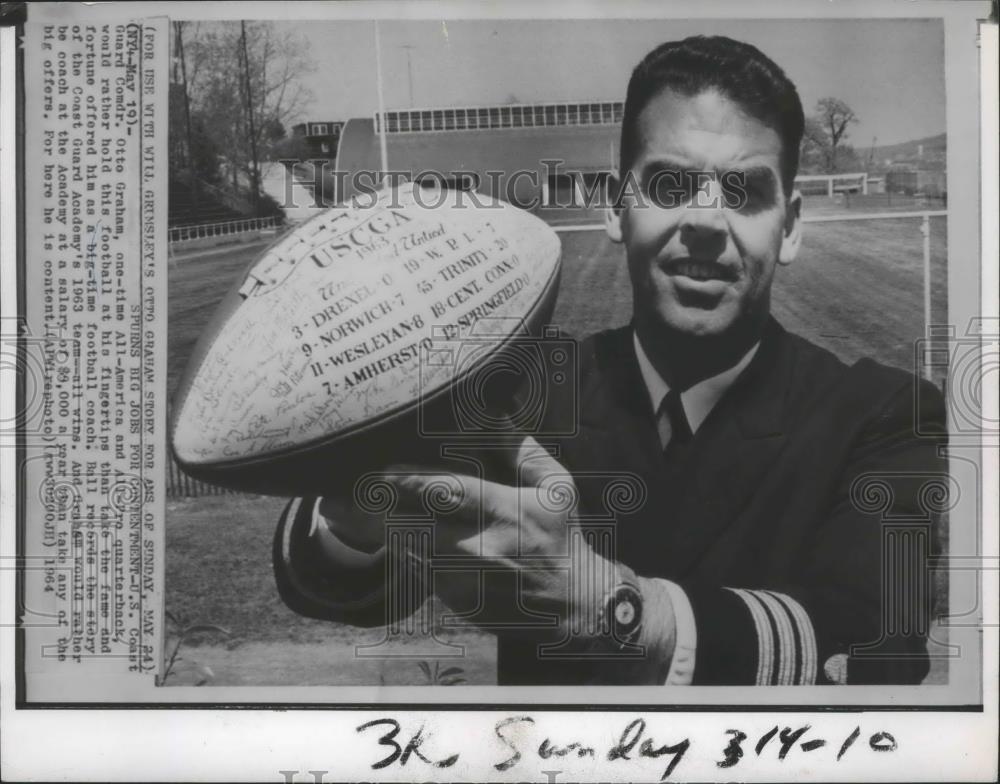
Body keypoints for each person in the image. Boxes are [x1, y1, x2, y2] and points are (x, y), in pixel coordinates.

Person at [273, 35, 947, 686]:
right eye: (670, 184)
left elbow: (878, 650)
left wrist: (617, 612)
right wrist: (357, 513)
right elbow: (352, 590)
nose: (707, 222)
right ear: (617, 208)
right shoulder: (521, 391)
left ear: (792, 226)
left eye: (743, 192)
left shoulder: (881, 416)